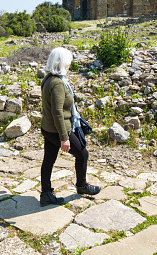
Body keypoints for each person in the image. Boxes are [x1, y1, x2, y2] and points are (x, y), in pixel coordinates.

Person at [40, 47, 100, 206]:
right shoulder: (58, 83)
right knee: (83, 154)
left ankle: (46, 193)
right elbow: (57, 112)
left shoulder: (48, 79)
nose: (70, 64)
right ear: (62, 62)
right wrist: (64, 138)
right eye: (69, 61)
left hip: (47, 128)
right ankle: (82, 186)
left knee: (49, 160)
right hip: (58, 129)